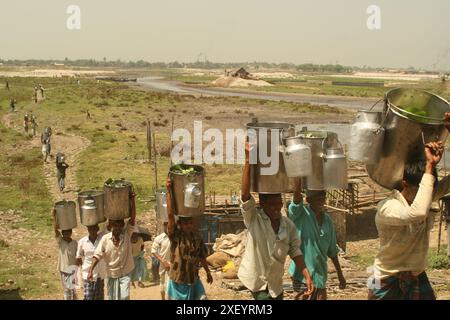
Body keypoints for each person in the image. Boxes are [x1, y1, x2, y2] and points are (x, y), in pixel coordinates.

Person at [368, 139, 450, 300]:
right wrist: (429, 167)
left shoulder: (426, 194)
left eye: (428, 190)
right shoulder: (387, 207)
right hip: (384, 276)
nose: (425, 195)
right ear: (404, 184)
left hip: (416, 274)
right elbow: (417, 213)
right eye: (420, 190)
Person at [238, 141, 314, 300]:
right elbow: (245, 196)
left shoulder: (288, 225)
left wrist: (307, 275)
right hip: (258, 282)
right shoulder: (254, 219)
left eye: (278, 203)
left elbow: (295, 251)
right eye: (271, 205)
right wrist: (248, 160)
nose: (276, 208)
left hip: (275, 285)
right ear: (262, 204)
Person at [287, 182, 346, 300]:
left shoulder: (327, 221)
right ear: (308, 200)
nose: (321, 199)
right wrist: (298, 176)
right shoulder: (300, 214)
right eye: (317, 197)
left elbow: (332, 251)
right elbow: (297, 197)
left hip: (320, 276)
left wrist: (340, 274)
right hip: (301, 276)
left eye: (323, 196)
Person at [165, 177, 213, 300]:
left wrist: (208, 272)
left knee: (203, 299)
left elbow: (202, 256)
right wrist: (169, 191)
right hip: (178, 280)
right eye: (185, 223)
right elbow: (170, 215)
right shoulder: (176, 235)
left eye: (190, 223)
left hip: (193, 279)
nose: (188, 225)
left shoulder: (196, 237)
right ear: (180, 224)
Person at [88, 191, 137, 300]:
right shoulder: (105, 239)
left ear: (122, 225)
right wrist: (91, 270)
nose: (117, 228)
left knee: (124, 297)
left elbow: (132, 219)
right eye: (115, 225)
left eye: (119, 225)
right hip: (111, 274)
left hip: (125, 272)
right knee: (111, 298)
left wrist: (132, 200)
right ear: (111, 226)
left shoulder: (127, 235)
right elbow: (97, 255)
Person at [52, 208, 78, 300]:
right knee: (67, 289)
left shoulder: (75, 243)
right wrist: (54, 217)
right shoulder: (60, 241)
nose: (66, 234)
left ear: (71, 233)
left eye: (68, 232)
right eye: (64, 233)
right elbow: (55, 229)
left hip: (73, 269)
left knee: (73, 288)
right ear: (62, 233)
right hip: (63, 269)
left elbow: (78, 256)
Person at [76, 224, 107, 300]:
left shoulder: (102, 239)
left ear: (97, 229)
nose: (92, 231)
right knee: (88, 297)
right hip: (87, 274)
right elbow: (78, 257)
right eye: (90, 229)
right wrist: (81, 270)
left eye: (94, 229)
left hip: (100, 274)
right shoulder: (82, 242)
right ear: (88, 229)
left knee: (99, 297)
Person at [151, 221, 171, 300]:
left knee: (170, 283)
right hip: (163, 264)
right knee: (162, 283)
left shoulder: (175, 237)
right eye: (166, 225)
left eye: (169, 225)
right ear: (164, 226)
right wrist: (163, 261)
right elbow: (153, 251)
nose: (168, 227)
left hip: (174, 264)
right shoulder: (159, 238)